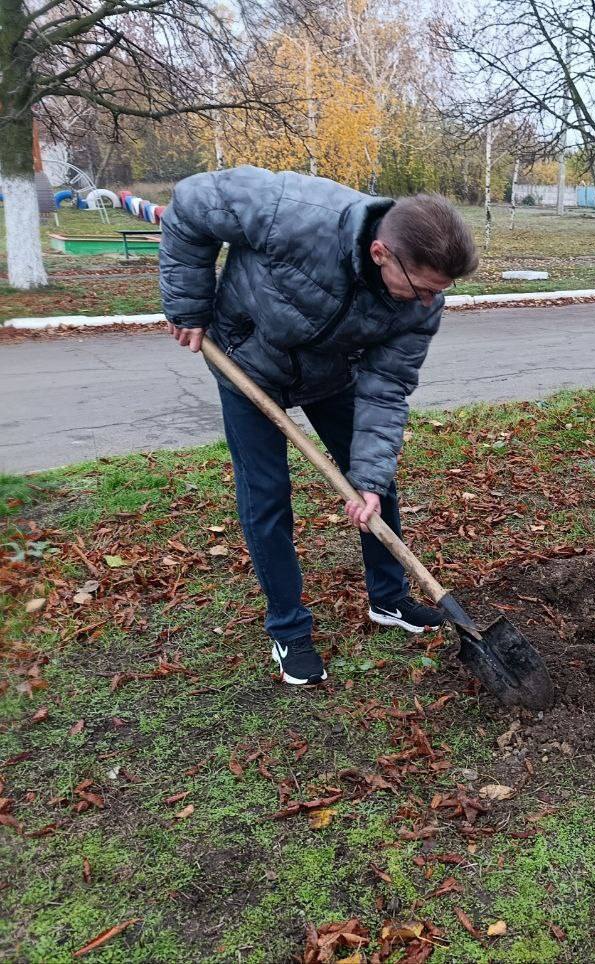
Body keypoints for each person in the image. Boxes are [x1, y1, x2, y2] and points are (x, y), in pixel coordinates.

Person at [160, 166, 478, 686]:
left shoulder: (424, 303)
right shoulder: (295, 210)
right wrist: (187, 305)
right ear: (382, 254)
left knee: (375, 481)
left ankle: (389, 598)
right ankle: (288, 629)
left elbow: (388, 386)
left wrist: (368, 481)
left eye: (436, 292)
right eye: (420, 288)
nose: (428, 302)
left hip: (333, 373)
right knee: (266, 496)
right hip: (246, 359)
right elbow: (191, 206)